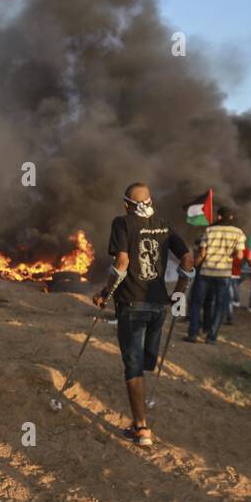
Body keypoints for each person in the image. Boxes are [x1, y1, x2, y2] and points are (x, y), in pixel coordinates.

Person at [94, 182, 195, 446]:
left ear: (127, 203)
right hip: (157, 306)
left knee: (134, 366)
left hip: (131, 303)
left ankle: (141, 428)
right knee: (145, 363)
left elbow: (122, 262)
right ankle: (141, 403)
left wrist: (105, 292)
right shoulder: (164, 223)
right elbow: (187, 259)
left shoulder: (122, 222)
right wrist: (180, 292)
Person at [185, 206, 245, 344]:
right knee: (219, 305)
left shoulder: (210, 230)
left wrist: (194, 266)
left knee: (196, 303)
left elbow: (202, 254)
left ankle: (193, 334)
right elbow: (240, 255)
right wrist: (230, 255)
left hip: (206, 272)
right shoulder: (239, 233)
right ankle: (211, 337)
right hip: (223, 274)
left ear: (218, 217)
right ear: (231, 217)